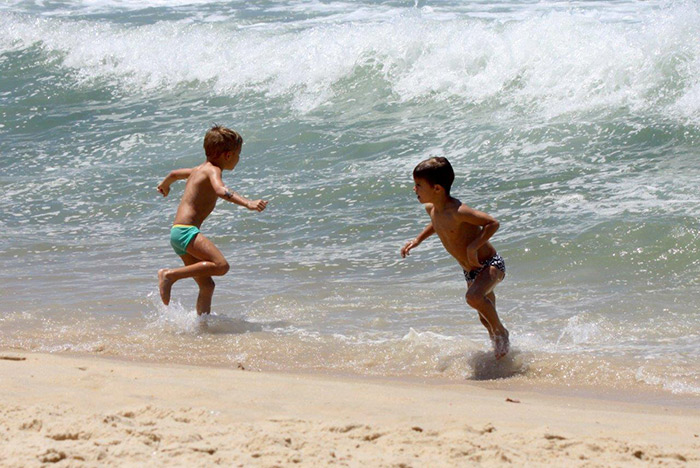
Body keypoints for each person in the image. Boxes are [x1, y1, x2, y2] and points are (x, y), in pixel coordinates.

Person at [400, 157, 509, 359]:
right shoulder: (433, 209)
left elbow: (492, 223)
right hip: (471, 271)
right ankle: (500, 357)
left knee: (473, 298)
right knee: (484, 318)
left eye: (418, 185)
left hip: (490, 264)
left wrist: (473, 247)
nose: (415, 189)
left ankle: (502, 332)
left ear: (437, 189)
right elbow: (437, 223)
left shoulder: (459, 211)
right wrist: (418, 240)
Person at [156, 125, 268, 315]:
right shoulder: (213, 171)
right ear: (227, 155)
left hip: (178, 233)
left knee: (207, 286)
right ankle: (170, 275)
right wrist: (248, 203)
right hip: (187, 232)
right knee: (221, 266)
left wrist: (164, 185)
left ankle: (202, 325)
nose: (239, 159)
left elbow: (174, 174)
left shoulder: (198, 169)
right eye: (238, 154)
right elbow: (220, 190)